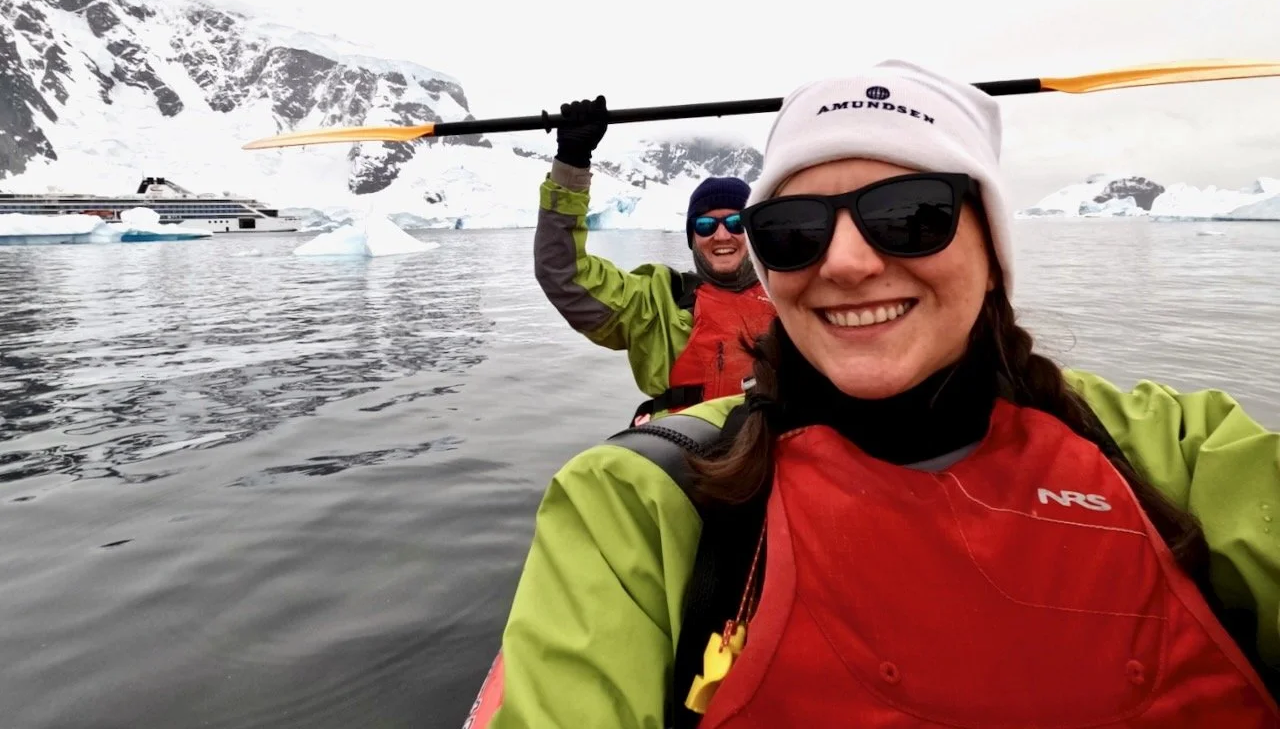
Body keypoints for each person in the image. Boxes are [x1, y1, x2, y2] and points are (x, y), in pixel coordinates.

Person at [479, 60, 1280, 727]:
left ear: (992, 248)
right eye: (792, 232)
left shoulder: (1178, 453)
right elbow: (565, 278)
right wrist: (571, 168)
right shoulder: (641, 460)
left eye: (911, 216)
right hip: (713, 454)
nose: (847, 265)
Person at [534, 95, 775, 426]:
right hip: (685, 448)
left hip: (775, 442)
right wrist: (571, 165)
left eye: (735, 223)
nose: (722, 236)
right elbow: (562, 272)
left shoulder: (792, 294)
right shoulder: (656, 300)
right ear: (692, 238)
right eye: (706, 225)